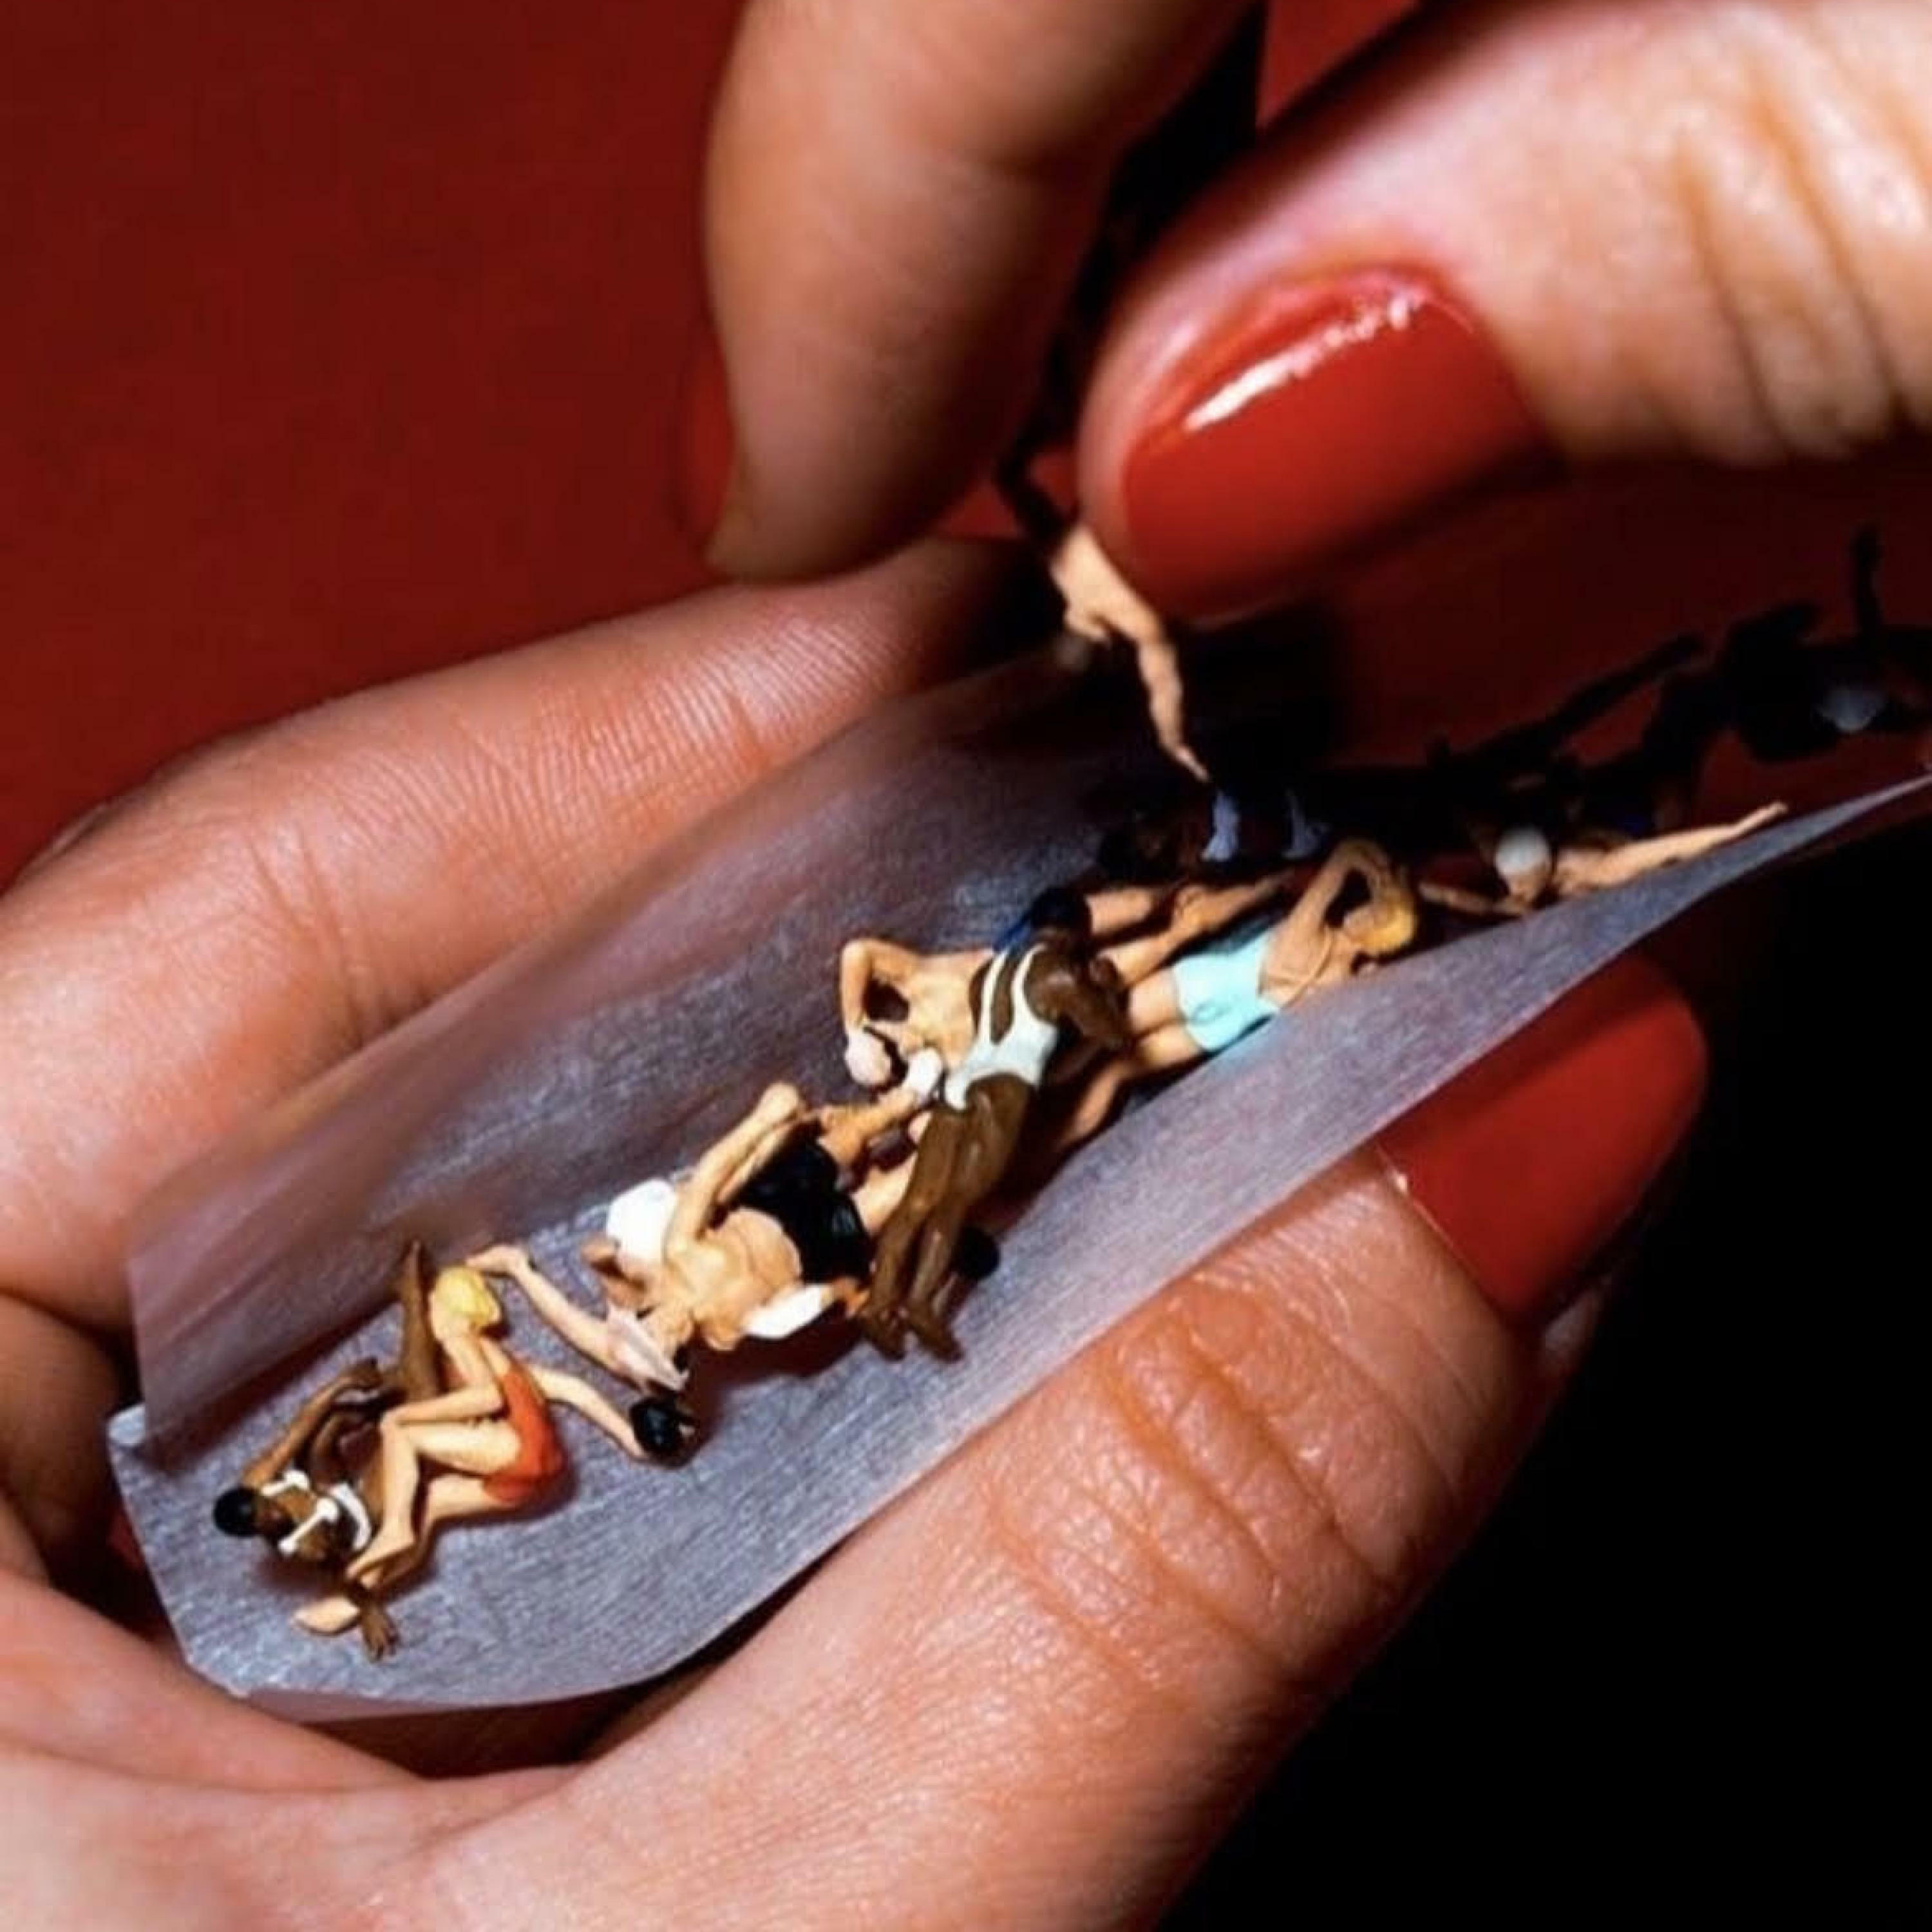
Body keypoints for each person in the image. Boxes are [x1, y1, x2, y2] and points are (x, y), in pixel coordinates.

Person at [5, 1, 1927, 1921]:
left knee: (1264, 900)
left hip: (1075, 997)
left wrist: (883, 1037)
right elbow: (907, 1190)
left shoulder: (749, 1193)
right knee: (1233, 965)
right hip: (1067, 1062)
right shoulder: (718, 1295)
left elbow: (835, 1114)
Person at [468, 1074, 937, 1454]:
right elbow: (794, 1306)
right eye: (668, 1347)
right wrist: (832, 1294)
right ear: (680, 1357)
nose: (668, 1332)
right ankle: (938, 1141)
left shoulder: (675, 1254)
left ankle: (908, 1097)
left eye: (653, 1330)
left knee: (854, 1135)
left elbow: (709, 1179)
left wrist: (761, 1120)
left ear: (647, 1314)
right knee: (902, 1190)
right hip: (816, 1245)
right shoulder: (725, 1332)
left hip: (773, 1201)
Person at [1045, 840, 1421, 1151]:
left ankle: (1039, 1092)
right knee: (1115, 1075)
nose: (1364, 908)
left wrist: (1380, 873)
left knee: (1103, 1033)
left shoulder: (1310, 932)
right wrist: (1408, 899)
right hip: (1226, 1028)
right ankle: (1049, 1155)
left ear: (1373, 926)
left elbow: (1344, 855)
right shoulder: (1348, 978)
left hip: (1204, 985)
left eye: (1373, 910)